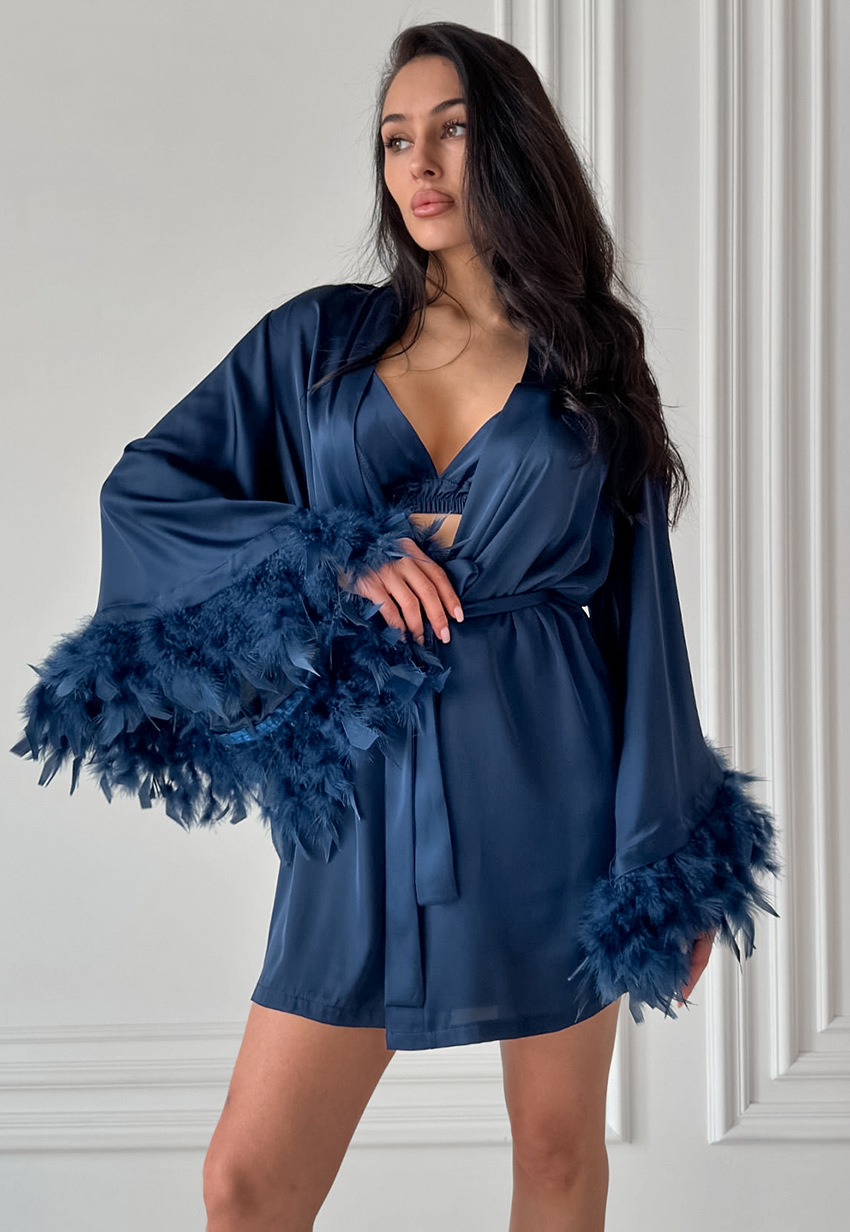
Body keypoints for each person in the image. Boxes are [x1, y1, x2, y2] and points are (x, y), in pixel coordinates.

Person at [13, 21, 780, 1232]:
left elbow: (646, 620)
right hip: (361, 783)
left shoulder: (586, 356)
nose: (418, 164)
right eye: (393, 139)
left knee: (557, 1151)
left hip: (551, 774)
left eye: (451, 132)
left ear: (510, 147)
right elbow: (146, 493)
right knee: (246, 1182)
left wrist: (672, 861)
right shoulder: (316, 344)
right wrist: (332, 552)